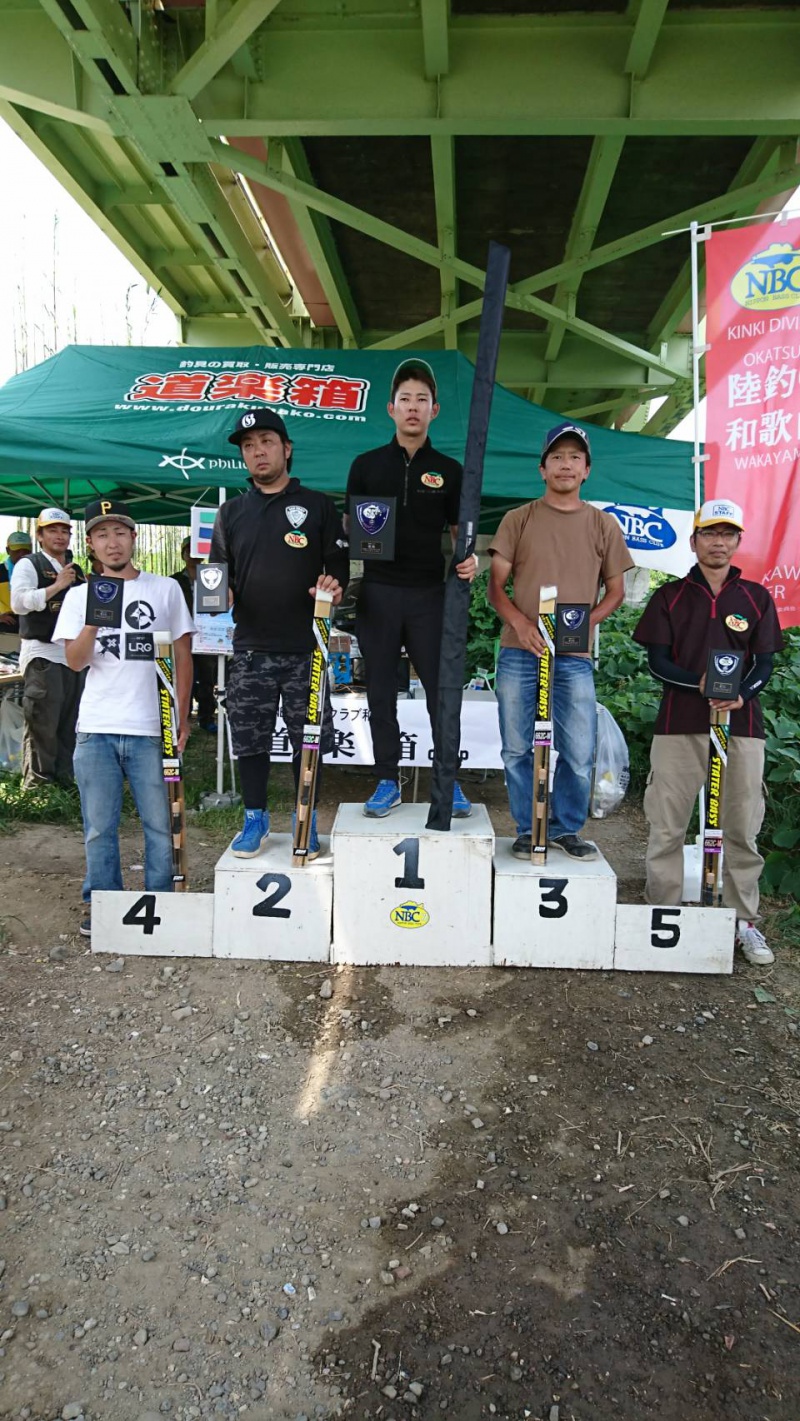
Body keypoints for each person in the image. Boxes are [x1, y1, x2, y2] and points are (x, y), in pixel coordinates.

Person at [633, 498, 783, 965]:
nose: (718, 542)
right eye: (709, 534)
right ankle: (664, 913)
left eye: (727, 534)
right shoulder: (670, 596)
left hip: (743, 725)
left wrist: (743, 694)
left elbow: (765, 663)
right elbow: (658, 662)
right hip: (680, 724)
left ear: (738, 541)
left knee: (741, 825)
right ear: (694, 540)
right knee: (667, 823)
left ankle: (743, 922)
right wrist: (698, 684)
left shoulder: (756, 597)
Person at [488, 422, 633, 860]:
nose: (565, 464)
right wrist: (520, 622)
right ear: (542, 468)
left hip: (574, 656)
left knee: (578, 750)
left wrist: (587, 623)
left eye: (574, 457)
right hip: (519, 650)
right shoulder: (519, 518)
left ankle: (567, 828)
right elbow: (496, 586)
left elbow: (616, 592)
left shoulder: (603, 524)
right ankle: (525, 825)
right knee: (516, 747)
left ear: (586, 470)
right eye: (557, 457)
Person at [210, 409, 349, 859]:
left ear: (286, 448)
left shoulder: (318, 505)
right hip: (250, 648)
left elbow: (339, 567)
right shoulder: (230, 512)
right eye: (248, 446)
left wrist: (334, 585)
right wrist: (219, 592)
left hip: (305, 649)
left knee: (308, 739)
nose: (257, 451)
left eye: (266, 441)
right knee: (249, 738)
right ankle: (255, 818)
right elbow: (217, 574)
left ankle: (302, 817)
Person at [52, 499, 195, 937]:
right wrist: (97, 615)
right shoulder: (78, 596)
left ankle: (159, 904)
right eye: (101, 535)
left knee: (158, 823)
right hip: (95, 728)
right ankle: (103, 905)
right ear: (91, 546)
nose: (112, 543)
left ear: (133, 538)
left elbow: (184, 653)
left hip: (150, 727)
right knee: (99, 827)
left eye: (119, 533)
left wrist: (183, 715)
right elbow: (75, 662)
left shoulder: (164, 589)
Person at [345, 358, 477, 818]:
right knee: (380, 691)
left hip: (429, 594)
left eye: (422, 400)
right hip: (378, 592)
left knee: (442, 691)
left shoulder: (450, 469)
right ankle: (387, 780)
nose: (413, 408)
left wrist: (471, 558)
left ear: (435, 410)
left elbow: (464, 533)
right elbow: (355, 526)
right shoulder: (365, 466)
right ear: (391, 408)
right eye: (406, 400)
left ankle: (448, 781)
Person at [10, 508, 86, 788]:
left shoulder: (75, 569)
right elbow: (18, 603)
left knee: (70, 723)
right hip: (43, 654)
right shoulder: (28, 564)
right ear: (39, 535)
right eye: (52, 530)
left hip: (73, 655)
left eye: (65, 530)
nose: (60, 536)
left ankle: (65, 783)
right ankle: (38, 787)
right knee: (43, 722)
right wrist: (57, 586)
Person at [171, 534, 217, 732]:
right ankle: (183, 719)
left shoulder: (213, 579)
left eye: (196, 551)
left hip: (206, 635)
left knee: (208, 678)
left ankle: (207, 718)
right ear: (183, 554)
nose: (192, 555)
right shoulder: (173, 581)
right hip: (182, 635)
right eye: (188, 550)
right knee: (183, 677)